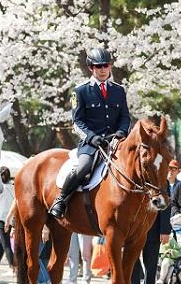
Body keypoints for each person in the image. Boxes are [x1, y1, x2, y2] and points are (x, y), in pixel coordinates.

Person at [49, 47, 130, 218]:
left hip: (116, 142)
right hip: (92, 144)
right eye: (98, 66)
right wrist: (92, 137)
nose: (102, 70)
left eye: (105, 65)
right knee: (83, 167)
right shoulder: (80, 91)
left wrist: (122, 132)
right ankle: (61, 199)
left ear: (110, 66)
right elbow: (77, 122)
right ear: (91, 68)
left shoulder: (118, 90)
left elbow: (124, 117)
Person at [127, 183, 171, 284]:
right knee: (132, 262)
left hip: (153, 228)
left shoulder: (159, 178)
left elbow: (166, 205)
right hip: (133, 229)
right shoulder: (132, 177)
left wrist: (164, 230)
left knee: (151, 265)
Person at [0, 167, 14, 269]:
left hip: (2, 219)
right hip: (12, 219)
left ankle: (14, 266)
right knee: (1, 243)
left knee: (6, 245)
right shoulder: (13, 186)